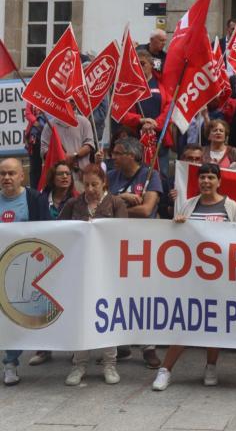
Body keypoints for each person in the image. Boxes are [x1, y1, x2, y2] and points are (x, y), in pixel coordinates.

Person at [152, 163, 236, 391]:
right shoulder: (188, 205)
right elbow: (176, 237)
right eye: (202, 177)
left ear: (219, 181)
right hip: (192, 276)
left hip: (220, 276)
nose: (206, 181)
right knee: (186, 322)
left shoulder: (231, 206)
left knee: (213, 323)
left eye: (210, 177)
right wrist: (178, 225)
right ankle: (165, 370)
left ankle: (211, 366)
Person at [58, 164, 127, 386]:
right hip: (80, 269)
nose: (89, 189)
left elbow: (125, 235)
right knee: (81, 316)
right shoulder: (73, 203)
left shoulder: (115, 203)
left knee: (108, 315)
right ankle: (79, 365)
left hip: (108, 270)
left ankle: (110, 364)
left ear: (104, 183)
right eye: (86, 184)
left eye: (94, 184)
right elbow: (60, 231)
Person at [0, 158, 48, 385]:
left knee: (14, 318)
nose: (6, 178)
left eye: (11, 173)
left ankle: (10, 363)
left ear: (22, 176)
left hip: (24, 273)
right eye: (2, 173)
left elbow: (49, 232)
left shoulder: (34, 199)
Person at [108, 137, 163, 220]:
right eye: (113, 153)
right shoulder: (110, 176)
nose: (113, 157)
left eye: (118, 153)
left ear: (131, 155)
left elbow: (146, 210)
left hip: (143, 229)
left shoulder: (151, 175)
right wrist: (122, 196)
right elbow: (101, 205)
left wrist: (118, 211)